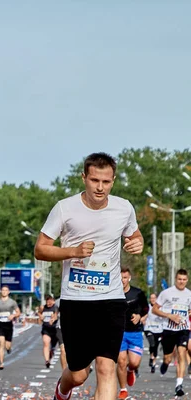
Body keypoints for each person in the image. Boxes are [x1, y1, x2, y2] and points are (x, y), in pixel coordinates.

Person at [34, 152, 143, 400]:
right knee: (79, 374)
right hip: (76, 301)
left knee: (106, 367)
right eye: (95, 180)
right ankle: (63, 390)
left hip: (112, 299)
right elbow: (40, 249)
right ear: (84, 177)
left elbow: (135, 236)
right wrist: (72, 251)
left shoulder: (123, 208)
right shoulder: (65, 208)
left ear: (113, 181)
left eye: (106, 182)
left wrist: (137, 243)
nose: (100, 187)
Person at [152, 269, 191, 397]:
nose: (182, 282)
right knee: (168, 357)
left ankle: (179, 384)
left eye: (184, 280)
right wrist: (169, 315)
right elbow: (154, 309)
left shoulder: (189, 294)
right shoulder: (166, 293)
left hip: (183, 329)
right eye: (180, 279)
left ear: (187, 280)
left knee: (181, 354)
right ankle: (165, 363)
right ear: (176, 279)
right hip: (168, 329)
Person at [117, 267, 149, 399]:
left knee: (134, 363)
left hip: (135, 333)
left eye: (125, 277)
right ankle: (123, 389)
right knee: (121, 362)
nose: (122, 280)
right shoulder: (113, 293)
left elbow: (146, 310)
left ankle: (131, 371)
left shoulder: (138, 293)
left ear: (129, 278)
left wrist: (139, 317)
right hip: (119, 333)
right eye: (120, 278)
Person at [0, 286, 21, 370]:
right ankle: (1, 363)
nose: (4, 292)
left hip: (8, 325)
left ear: (8, 292)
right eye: (3, 290)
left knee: (7, 345)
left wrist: (13, 315)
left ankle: (8, 348)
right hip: (0, 324)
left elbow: (18, 312)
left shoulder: (12, 302)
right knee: (1, 343)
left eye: (6, 290)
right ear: (1, 291)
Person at [143, 293, 163, 374]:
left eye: (154, 298)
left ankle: (153, 363)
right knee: (152, 344)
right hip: (149, 328)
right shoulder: (147, 307)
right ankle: (151, 357)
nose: (153, 299)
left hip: (159, 330)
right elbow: (143, 315)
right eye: (151, 298)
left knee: (156, 347)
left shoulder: (161, 308)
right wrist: (143, 319)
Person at [38, 294, 59, 369]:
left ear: (53, 301)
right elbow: (39, 312)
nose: (49, 302)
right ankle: (47, 361)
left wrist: (53, 319)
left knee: (52, 347)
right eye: (47, 301)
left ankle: (52, 351)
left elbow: (56, 315)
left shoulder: (55, 307)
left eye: (50, 301)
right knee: (46, 343)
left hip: (55, 329)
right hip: (46, 329)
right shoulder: (43, 307)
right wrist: (40, 316)